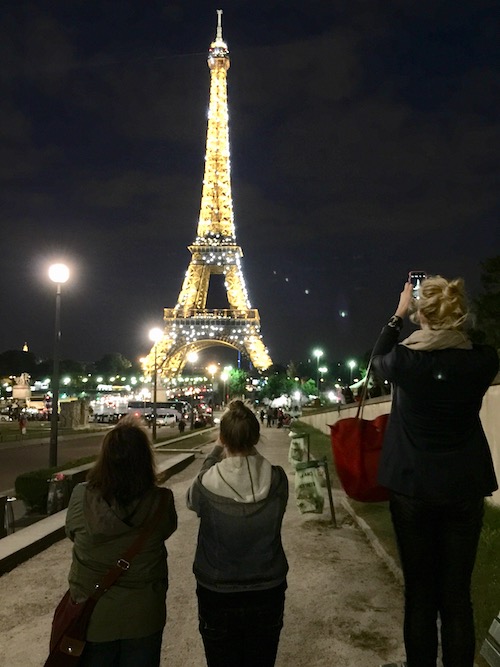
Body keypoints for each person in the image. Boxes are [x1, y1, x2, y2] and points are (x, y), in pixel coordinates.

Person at [372, 276, 499, 667]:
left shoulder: (405, 361)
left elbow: (376, 361)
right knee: (457, 596)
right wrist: (450, 316)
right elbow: (475, 340)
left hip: (412, 487)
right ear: (457, 315)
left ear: (419, 315)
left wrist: (397, 314)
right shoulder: (481, 360)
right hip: (463, 485)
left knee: (421, 596)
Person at [65, 416, 178, 667]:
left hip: (92, 616)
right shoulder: (161, 501)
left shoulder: (81, 497)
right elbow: (166, 530)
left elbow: (72, 531)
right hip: (143, 617)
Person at [187, 399, 289, 667]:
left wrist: (213, 452)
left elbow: (191, 501)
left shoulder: (205, 483)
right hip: (267, 588)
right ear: (256, 437)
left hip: (217, 590)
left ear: (222, 438)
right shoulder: (278, 480)